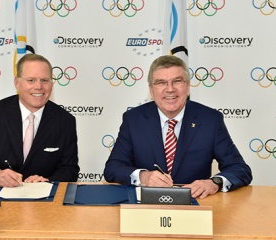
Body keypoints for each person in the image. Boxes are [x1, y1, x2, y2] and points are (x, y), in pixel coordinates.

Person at [103, 55, 252, 199]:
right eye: (161, 82)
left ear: (187, 86)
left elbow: (240, 169)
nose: (170, 89)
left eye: (177, 81)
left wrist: (214, 183)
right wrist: (143, 176)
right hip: (146, 206)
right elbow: (112, 169)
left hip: (195, 206)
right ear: (151, 89)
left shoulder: (210, 120)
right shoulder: (133, 119)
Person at [0, 53, 79, 187]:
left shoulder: (65, 121)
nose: (38, 86)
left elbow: (69, 170)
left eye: (44, 80)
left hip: (43, 203)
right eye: (31, 80)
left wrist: (47, 181)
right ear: (17, 83)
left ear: (52, 83)